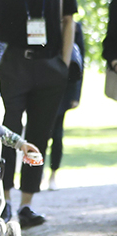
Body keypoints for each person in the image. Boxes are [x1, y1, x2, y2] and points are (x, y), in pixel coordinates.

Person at [0, 0, 77, 229]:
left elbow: (69, 22)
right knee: (10, 133)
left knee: (41, 135)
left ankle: (27, 205)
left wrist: (63, 63)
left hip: (50, 67)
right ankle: (7, 200)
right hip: (14, 67)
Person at [46, 21, 84, 191]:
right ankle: (36, 171)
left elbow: (80, 62)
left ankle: (53, 174)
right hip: (44, 84)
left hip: (64, 88)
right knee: (40, 133)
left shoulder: (76, 27)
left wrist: (75, 95)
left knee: (57, 134)